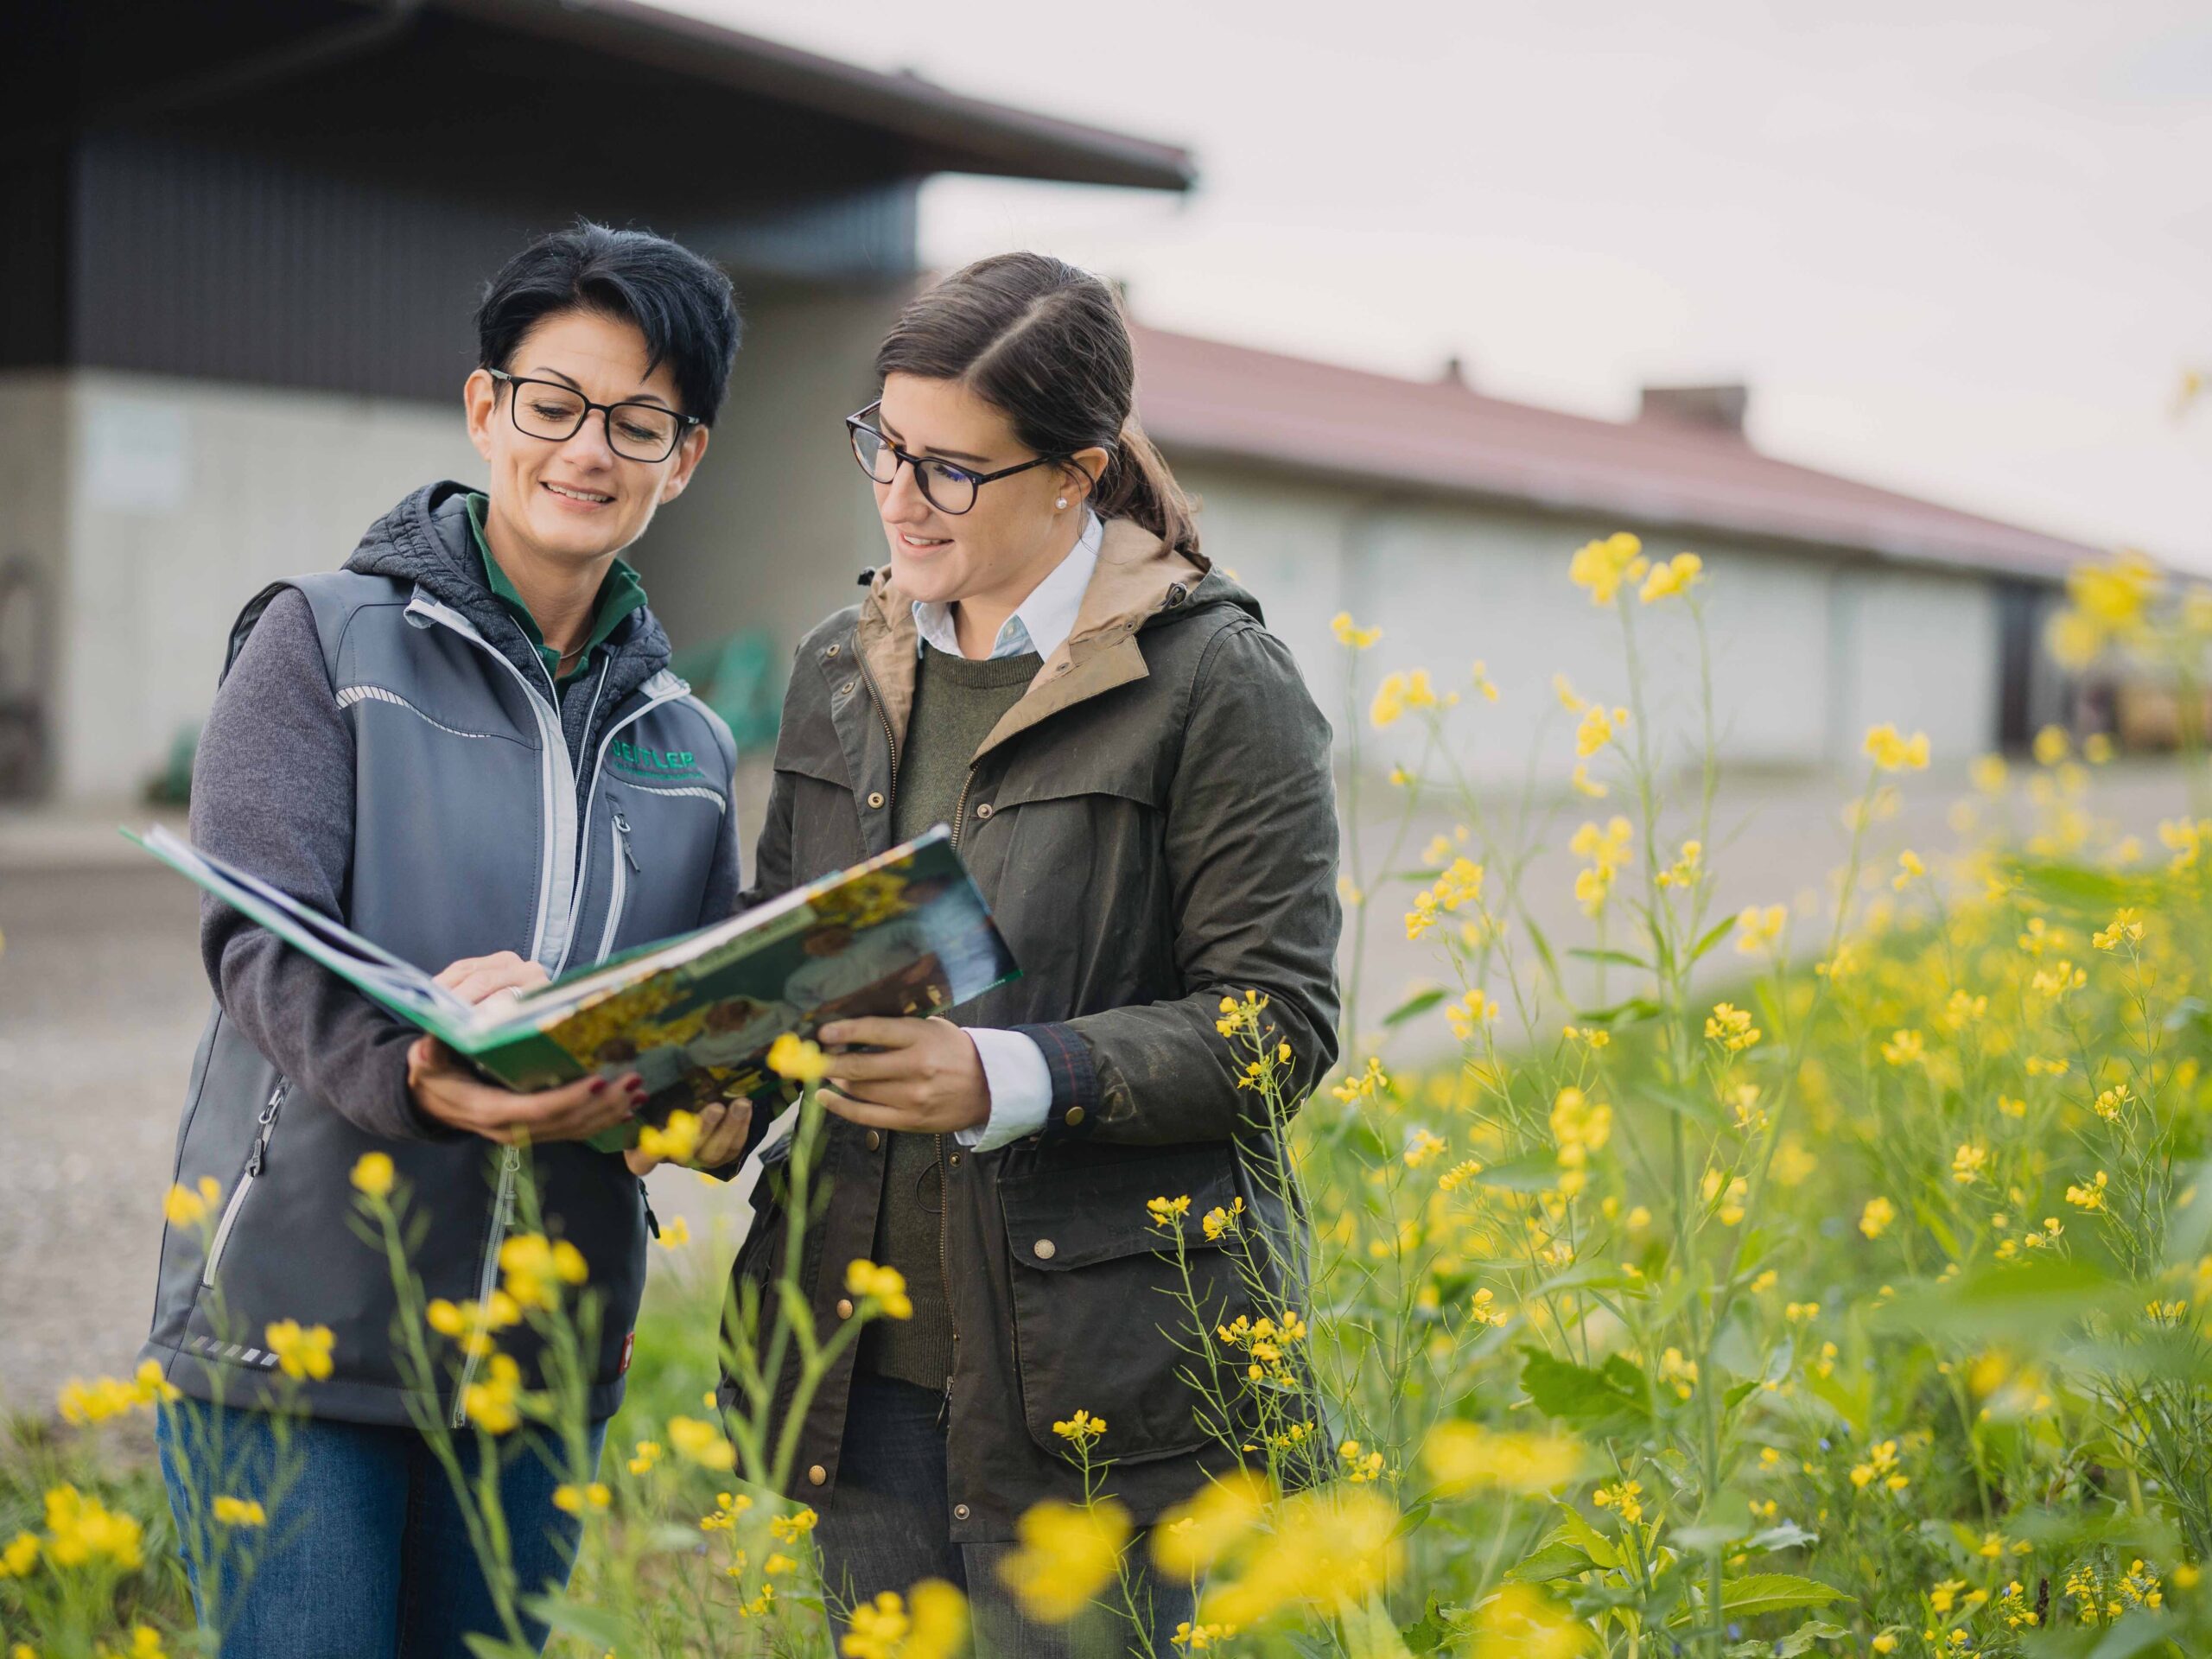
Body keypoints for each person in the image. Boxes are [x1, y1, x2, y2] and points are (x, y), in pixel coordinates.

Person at [715, 251, 1342, 1654]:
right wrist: (715, 1088)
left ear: (1076, 474)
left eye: (950, 469)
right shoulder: (839, 667)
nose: (897, 495)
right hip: (858, 1376)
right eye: (885, 444)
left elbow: (1277, 1027)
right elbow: (790, 960)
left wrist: (1008, 1077)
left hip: (1103, 1395)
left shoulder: (1213, 682)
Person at [143, 222, 753, 1657]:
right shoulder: (323, 640)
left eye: (637, 422)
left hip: (542, 1357)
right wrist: (421, 1071)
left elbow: (705, 1007)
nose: (588, 450)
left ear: (684, 458)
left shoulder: (692, 743)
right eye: (554, 403)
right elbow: (260, 943)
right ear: (487, 408)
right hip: (301, 1333)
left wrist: (724, 1098)